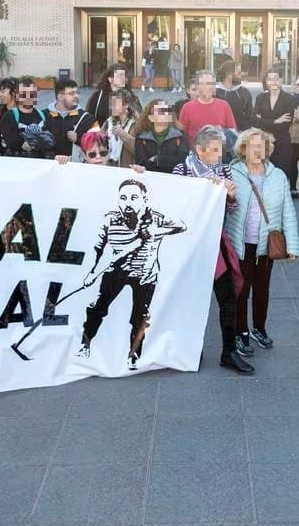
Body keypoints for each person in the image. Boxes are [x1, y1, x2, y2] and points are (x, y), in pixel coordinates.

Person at [76, 178, 187, 371]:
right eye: (123, 198)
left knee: (140, 316)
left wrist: (157, 231)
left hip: (145, 274)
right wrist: (92, 274)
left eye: (134, 197)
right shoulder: (109, 220)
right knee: (97, 307)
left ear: (144, 200)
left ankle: (134, 355)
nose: (128, 202)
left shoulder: (156, 218)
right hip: (115, 272)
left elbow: (182, 226)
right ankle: (84, 345)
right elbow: (99, 249)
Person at [173, 124, 253, 373]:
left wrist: (229, 196)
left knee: (227, 296)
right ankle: (187, 351)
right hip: (190, 244)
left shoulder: (225, 170)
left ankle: (228, 352)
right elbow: (177, 203)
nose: (220, 154)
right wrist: (200, 187)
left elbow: (231, 208)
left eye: (221, 149)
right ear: (199, 149)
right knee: (189, 298)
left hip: (216, 241)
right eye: (215, 149)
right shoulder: (182, 169)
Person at [226, 128, 299, 356]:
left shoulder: (278, 176)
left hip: (266, 245)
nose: (258, 150)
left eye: (262, 146)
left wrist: (293, 246)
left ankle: (259, 328)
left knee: (262, 289)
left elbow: (289, 211)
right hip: (240, 243)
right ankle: (241, 332)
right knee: (241, 289)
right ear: (243, 149)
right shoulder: (231, 173)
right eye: (252, 146)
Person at [0, 76, 55, 158]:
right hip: (18, 165)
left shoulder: (44, 115)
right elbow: (12, 142)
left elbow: (51, 141)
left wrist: (27, 142)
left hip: (41, 165)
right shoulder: (9, 117)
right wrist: (40, 141)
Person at [253, 67, 296, 174]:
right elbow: (254, 121)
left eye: (277, 78)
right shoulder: (260, 98)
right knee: (262, 174)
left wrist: (263, 120)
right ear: (266, 82)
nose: (274, 82)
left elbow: (285, 124)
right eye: (270, 79)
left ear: (281, 80)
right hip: (263, 142)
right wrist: (276, 121)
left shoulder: (289, 99)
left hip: (282, 142)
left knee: (282, 173)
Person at [178, 70, 237, 145]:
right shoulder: (187, 108)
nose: (209, 87)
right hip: (195, 153)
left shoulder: (224, 106)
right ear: (198, 86)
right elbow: (181, 135)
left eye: (212, 84)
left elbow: (232, 132)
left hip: (219, 153)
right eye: (205, 84)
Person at [43, 78, 96, 158]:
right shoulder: (43, 116)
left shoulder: (87, 118)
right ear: (60, 96)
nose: (76, 96)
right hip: (49, 167)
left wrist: (78, 139)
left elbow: (98, 142)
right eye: (72, 93)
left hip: (75, 168)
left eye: (77, 93)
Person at [133, 99, 189, 173]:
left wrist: (157, 159)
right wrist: (168, 162)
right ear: (151, 118)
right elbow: (141, 163)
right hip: (150, 177)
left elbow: (182, 160)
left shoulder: (180, 135)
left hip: (174, 177)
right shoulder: (141, 137)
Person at [101, 89, 138, 168]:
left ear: (126, 105)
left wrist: (123, 135)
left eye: (115, 104)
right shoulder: (108, 122)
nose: (112, 107)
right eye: (111, 104)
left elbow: (139, 150)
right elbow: (98, 143)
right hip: (110, 167)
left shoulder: (136, 123)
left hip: (128, 168)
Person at [215, 61, 254, 131]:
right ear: (228, 74)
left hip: (241, 133)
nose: (240, 75)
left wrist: (244, 130)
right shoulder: (215, 92)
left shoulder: (244, 92)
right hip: (220, 135)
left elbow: (250, 113)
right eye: (238, 72)